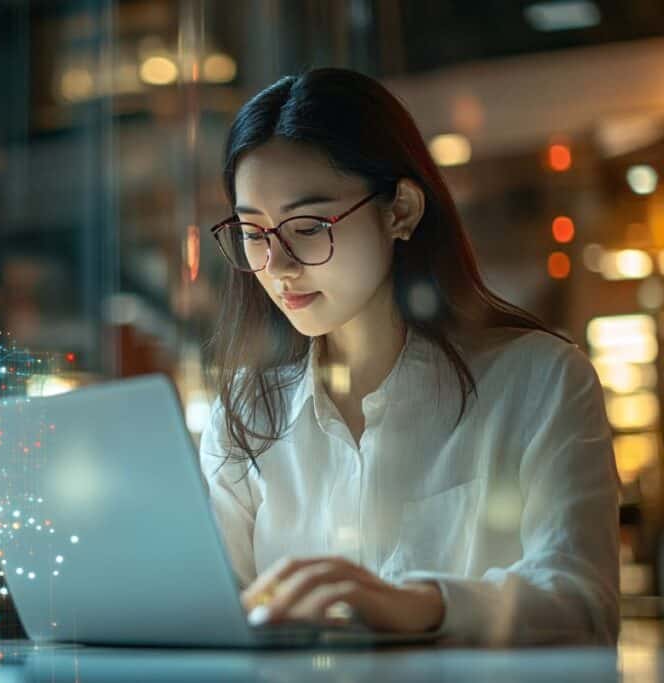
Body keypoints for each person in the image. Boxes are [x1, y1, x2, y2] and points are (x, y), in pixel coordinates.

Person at [199, 67, 621, 647]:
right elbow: (212, 616)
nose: (277, 264)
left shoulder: (541, 380)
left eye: (306, 225)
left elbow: (583, 602)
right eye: (253, 231)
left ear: (400, 210)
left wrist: (418, 604)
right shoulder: (246, 414)